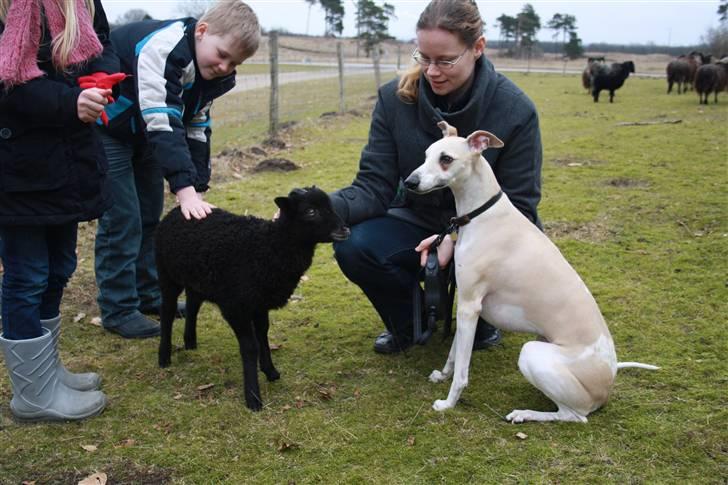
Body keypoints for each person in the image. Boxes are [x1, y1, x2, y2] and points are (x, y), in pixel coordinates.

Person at [331, 0, 543, 354]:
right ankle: (408, 322)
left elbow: (521, 204)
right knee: (354, 245)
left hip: (491, 230)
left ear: (477, 48)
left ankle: (482, 324)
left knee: (489, 260)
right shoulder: (394, 100)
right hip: (417, 218)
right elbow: (374, 185)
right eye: (424, 58)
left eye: (445, 60)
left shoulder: (516, 111)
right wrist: (320, 207)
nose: (432, 71)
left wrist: (458, 236)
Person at [94, 0, 261, 338]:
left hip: (146, 137)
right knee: (123, 218)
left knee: (150, 216)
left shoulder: (211, 74)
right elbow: (162, 120)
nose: (226, 67)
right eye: (223, 54)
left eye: (235, 63)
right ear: (202, 31)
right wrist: (183, 191)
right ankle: (118, 307)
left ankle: (148, 294)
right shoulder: (165, 48)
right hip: (111, 128)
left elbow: (197, 125)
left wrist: (197, 187)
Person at [0, 0, 118, 420]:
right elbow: (7, 84)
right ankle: (31, 396)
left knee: (57, 268)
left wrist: (102, 81)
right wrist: (70, 103)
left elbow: (104, 44)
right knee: (26, 277)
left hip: (64, 162)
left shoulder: (83, 1)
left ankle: (47, 375)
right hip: (16, 169)